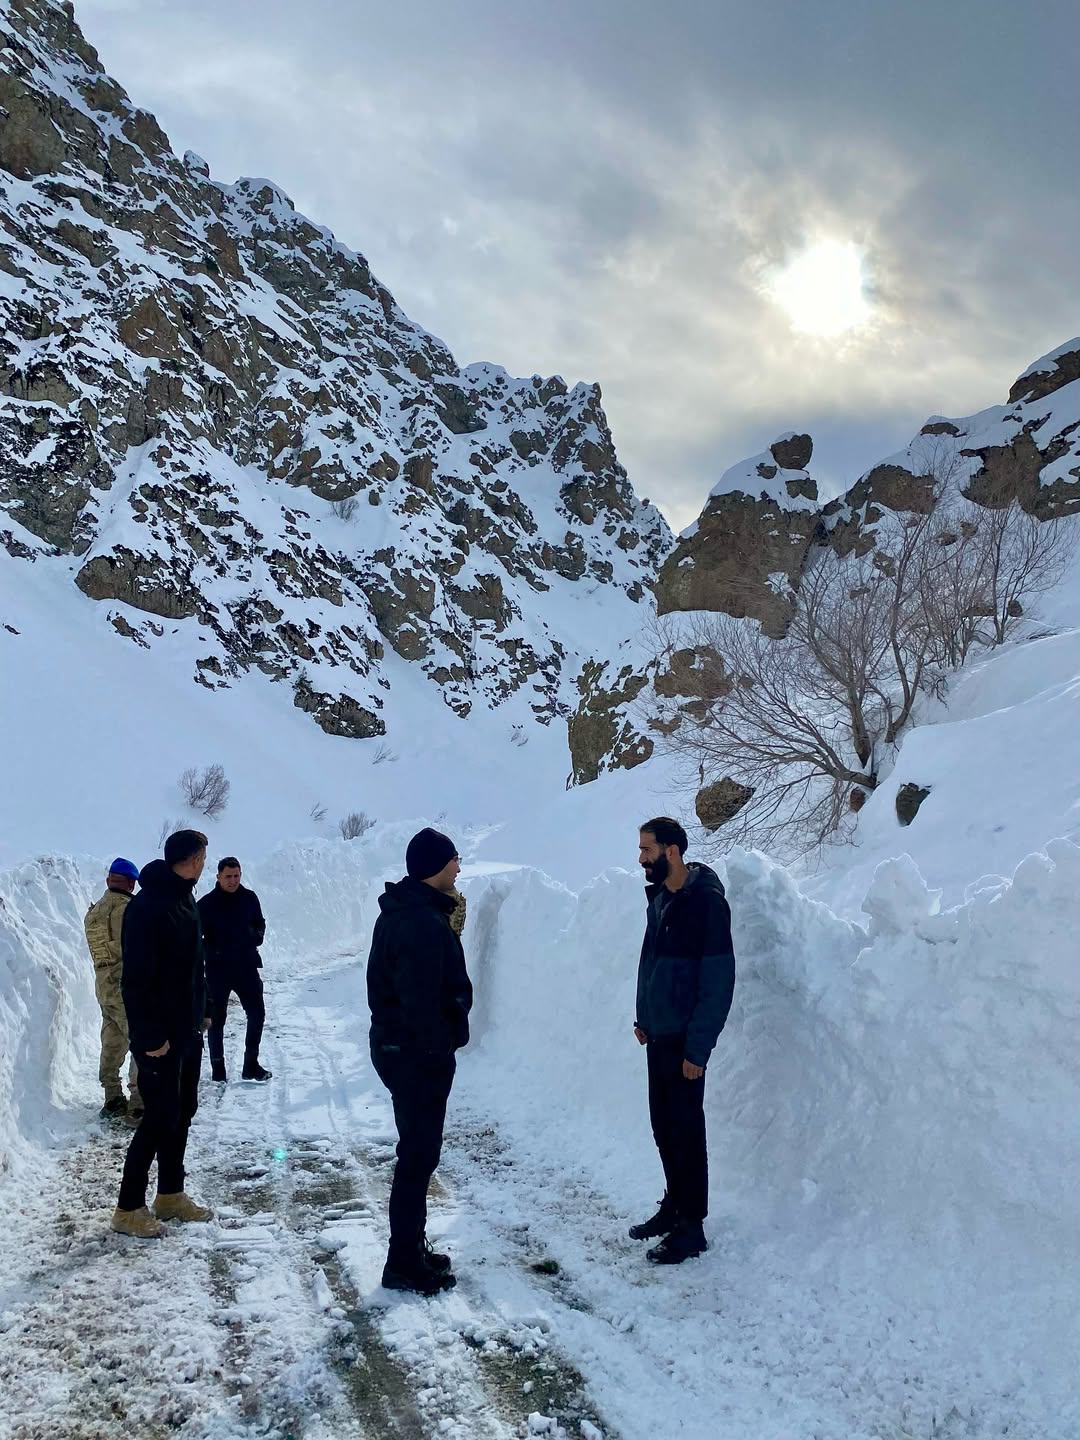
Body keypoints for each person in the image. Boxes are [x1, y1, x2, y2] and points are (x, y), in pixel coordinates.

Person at [367, 828, 473, 1296]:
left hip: (405, 1049)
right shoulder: (419, 923)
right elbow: (422, 1001)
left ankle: (410, 1247)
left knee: (418, 1153)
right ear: (435, 866)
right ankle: (403, 1262)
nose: (458, 867)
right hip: (415, 1054)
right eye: (453, 860)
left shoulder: (413, 912)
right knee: (416, 1156)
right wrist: (440, 1046)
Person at [631, 817, 735, 1265]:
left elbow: (718, 981)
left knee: (687, 1133)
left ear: (671, 851)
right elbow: (649, 961)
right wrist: (644, 1015)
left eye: (647, 850)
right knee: (663, 1127)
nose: (641, 858)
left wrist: (699, 1049)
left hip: (685, 1044)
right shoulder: (660, 898)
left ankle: (692, 1226)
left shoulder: (706, 904)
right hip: (659, 1034)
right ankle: (674, 1205)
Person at [111, 829, 214, 1239]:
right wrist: (150, 1037)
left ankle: (170, 1194)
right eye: (203, 857)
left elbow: (193, 963)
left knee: (182, 1111)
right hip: (160, 1038)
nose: (205, 864)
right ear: (190, 860)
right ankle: (128, 1207)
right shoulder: (149, 906)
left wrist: (203, 1009)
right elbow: (135, 980)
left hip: (186, 1030)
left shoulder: (183, 896)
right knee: (158, 1117)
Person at [198, 857, 271, 1083]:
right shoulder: (206, 904)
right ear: (218, 877)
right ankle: (218, 1071)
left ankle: (251, 1065)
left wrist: (255, 935)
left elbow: (259, 923)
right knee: (216, 1021)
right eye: (228, 876)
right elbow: (194, 936)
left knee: (257, 1014)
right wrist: (208, 951)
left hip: (246, 967)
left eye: (236, 875)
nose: (233, 880)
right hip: (217, 971)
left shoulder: (249, 898)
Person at [84, 857, 142, 1120]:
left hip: (103, 985)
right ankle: (139, 1103)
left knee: (111, 1039)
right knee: (141, 1040)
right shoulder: (132, 910)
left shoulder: (93, 913)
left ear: (109, 881)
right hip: (127, 985)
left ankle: (112, 1096)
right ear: (131, 883)